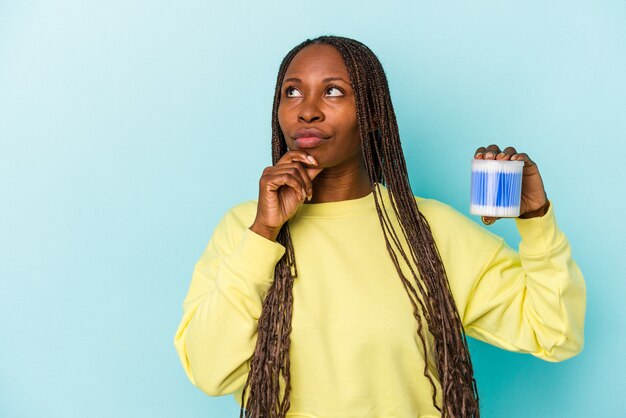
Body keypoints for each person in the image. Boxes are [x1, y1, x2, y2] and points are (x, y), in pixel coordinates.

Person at [173, 35, 586, 418]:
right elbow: (210, 372)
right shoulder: (243, 231)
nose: (307, 109)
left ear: (371, 114)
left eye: (333, 91)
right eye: (292, 92)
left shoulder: (429, 231)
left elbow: (554, 332)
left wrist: (536, 220)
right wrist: (263, 235)